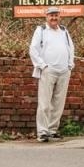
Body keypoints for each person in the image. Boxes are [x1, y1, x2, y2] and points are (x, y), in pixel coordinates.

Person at [29, 7, 76, 143]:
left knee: (58, 103)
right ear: (46, 17)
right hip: (48, 71)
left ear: (59, 16)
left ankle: (52, 130)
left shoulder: (64, 31)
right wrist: (42, 65)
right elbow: (33, 50)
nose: (54, 18)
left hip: (64, 71)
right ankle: (42, 132)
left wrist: (70, 64)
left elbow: (70, 48)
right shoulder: (41, 31)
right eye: (51, 15)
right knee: (44, 103)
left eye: (56, 15)